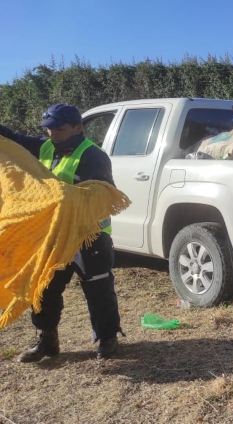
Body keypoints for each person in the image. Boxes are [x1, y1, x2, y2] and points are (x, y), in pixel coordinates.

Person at [0, 104, 123, 361]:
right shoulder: (45, 147)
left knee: (98, 288)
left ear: (78, 128)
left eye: (59, 128)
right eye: (48, 128)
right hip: (54, 238)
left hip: (89, 236)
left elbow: (99, 196)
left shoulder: (93, 156)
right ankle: (47, 340)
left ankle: (107, 338)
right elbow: (13, 140)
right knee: (43, 288)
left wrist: (58, 196)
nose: (52, 133)